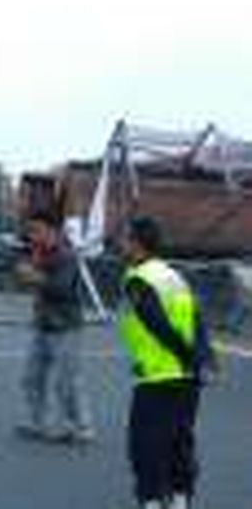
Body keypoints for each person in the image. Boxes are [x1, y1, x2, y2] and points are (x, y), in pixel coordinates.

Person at [119, 216, 216, 509]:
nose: (120, 243)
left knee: (145, 446)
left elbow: (157, 325)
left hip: (158, 377)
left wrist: (188, 356)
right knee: (179, 442)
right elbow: (197, 320)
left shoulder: (138, 278)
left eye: (125, 238)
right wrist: (203, 359)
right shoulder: (173, 275)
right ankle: (180, 499)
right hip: (187, 379)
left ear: (136, 243)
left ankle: (150, 502)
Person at [14, 210, 95, 443]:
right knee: (31, 377)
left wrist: (33, 276)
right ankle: (39, 423)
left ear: (53, 231)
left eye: (37, 230)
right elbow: (27, 283)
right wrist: (25, 275)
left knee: (67, 381)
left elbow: (61, 289)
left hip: (66, 326)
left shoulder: (66, 255)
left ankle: (81, 427)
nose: (33, 236)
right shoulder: (37, 253)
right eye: (31, 231)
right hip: (42, 324)